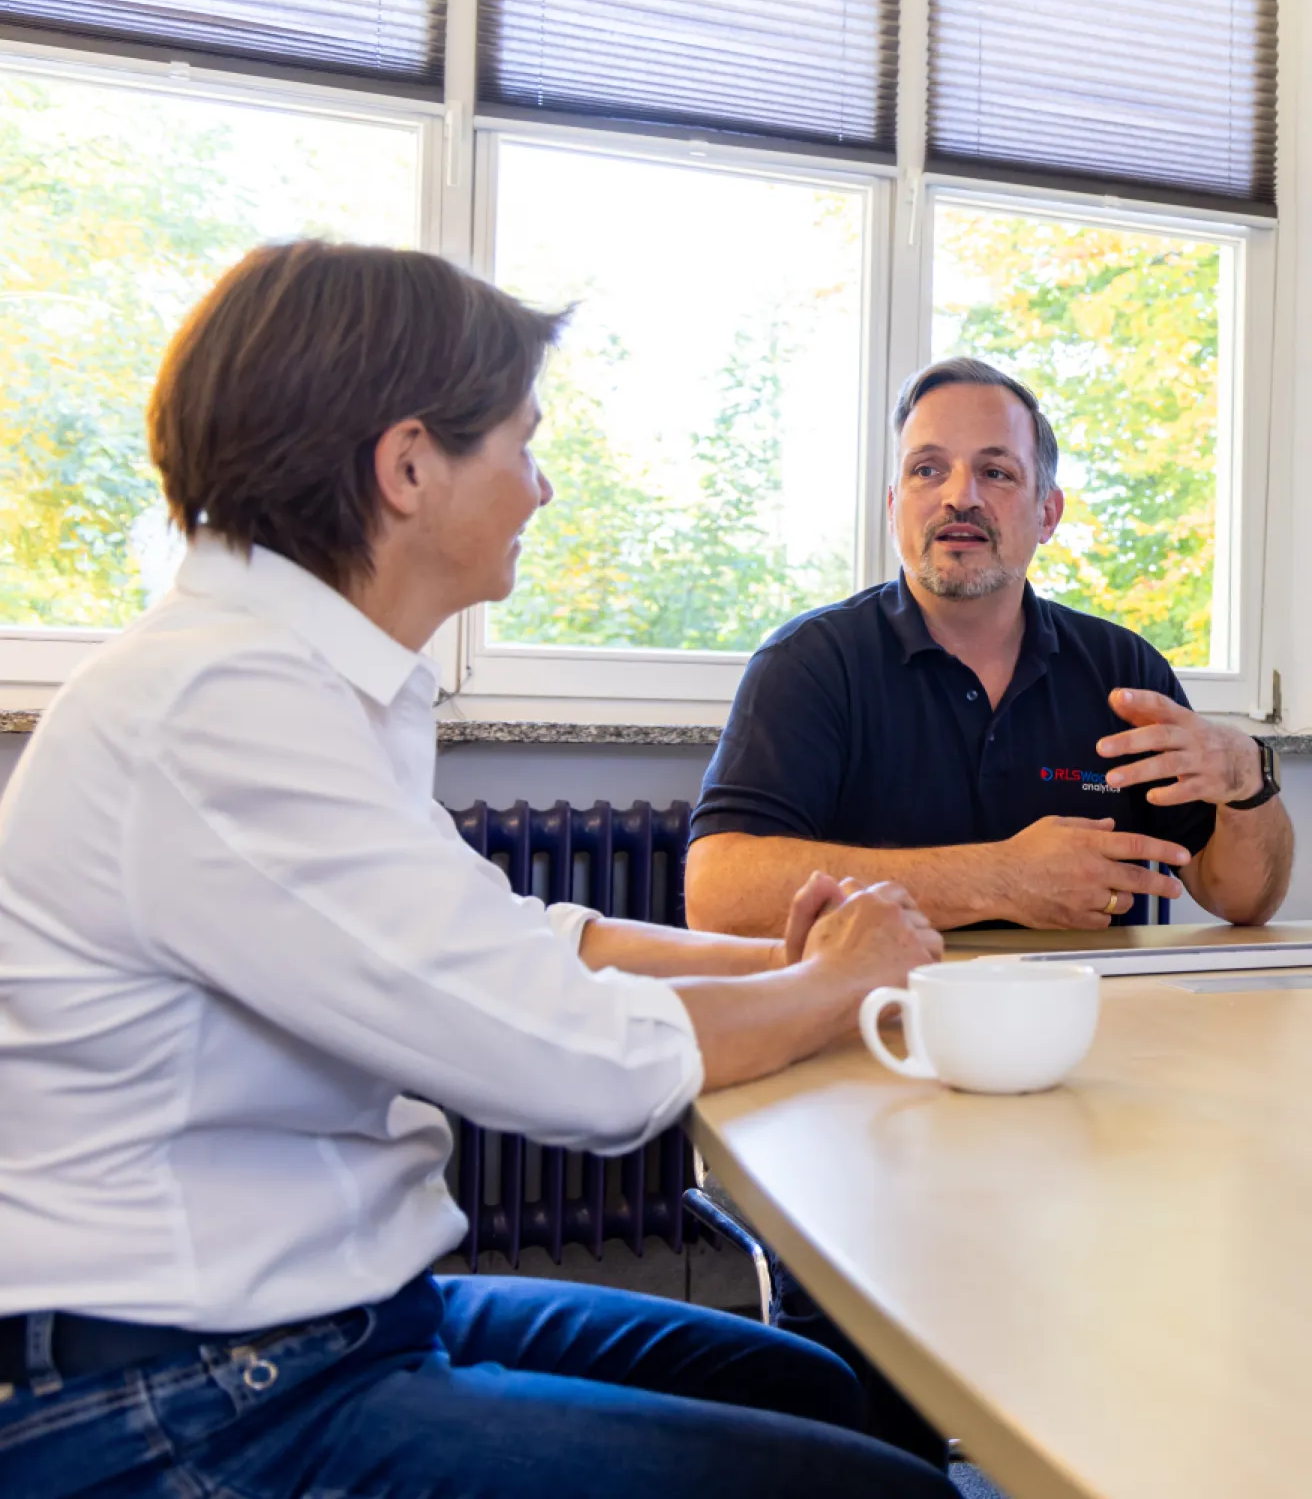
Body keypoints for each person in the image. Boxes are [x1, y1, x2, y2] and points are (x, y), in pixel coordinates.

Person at [0, 242, 955, 1498]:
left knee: (808, 1386)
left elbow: (519, 940)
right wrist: (836, 985)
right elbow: (575, 1059)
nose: (541, 485)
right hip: (179, 1392)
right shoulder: (218, 704)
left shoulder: (301, 682)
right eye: (520, 440)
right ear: (406, 467)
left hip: (337, 1310)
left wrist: (790, 957)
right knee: (876, 1489)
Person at [685, 358, 1294, 935]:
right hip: (877, 1019)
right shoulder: (809, 663)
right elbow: (718, 896)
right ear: (895, 507)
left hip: (1091, 1021)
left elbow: (1244, 901)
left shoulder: (1124, 670)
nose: (960, 496)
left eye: (996, 472)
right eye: (927, 469)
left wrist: (1248, 778)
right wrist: (1002, 878)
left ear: (1047, 514)